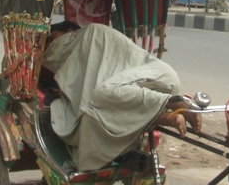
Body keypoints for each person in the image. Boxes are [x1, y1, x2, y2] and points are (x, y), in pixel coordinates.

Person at [42, 21, 201, 171]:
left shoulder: (91, 33)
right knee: (91, 116)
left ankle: (173, 102)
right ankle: (164, 115)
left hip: (161, 79)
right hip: (143, 93)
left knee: (102, 95)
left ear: (69, 32)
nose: (48, 44)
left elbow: (100, 90)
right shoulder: (82, 59)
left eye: (51, 37)